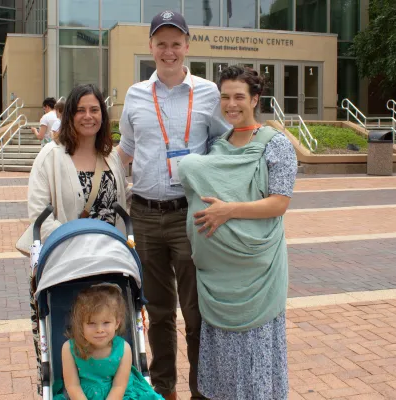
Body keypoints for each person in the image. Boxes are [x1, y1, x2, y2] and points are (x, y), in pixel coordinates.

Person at [117, 10, 230, 400]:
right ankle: (164, 391)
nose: (169, 51)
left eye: (175, 43)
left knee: (198, 313)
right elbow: (127, 151)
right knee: (159, 313)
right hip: (145, 215)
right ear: (151, 46)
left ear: (187, 45)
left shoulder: (209, 94)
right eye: (161, 43)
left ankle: (203, 391)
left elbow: (223, 146)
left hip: (191, 214)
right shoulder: (134, 95)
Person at [177, 65, 297, 399]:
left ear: (255, 99)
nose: (231, 104)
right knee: (224, 363)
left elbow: (279, 203)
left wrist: (228, 210)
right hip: (218, 277)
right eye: (225, 97)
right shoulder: (217, 145)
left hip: (257, 273)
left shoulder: (276, 145)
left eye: (239, 97)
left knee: (255, 352)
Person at [16, 84, 130, 395]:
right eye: (80, 110)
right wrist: (76, 244)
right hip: (62, 263)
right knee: (62, 337)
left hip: (107, 264)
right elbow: (40, 212)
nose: (88, 116)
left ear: (103, 116)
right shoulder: (50, 157)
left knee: (105, 335)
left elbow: (120, 208)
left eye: (95, 110)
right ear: (69, 115)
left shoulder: (110, 157)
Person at [56, 284, 162, 400]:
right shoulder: (69, 348)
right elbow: (72, 386)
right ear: (81, 325)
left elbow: (119, 386)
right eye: (91, 323)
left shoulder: (123, 349)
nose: (99, 330)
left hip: (118, 394)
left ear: (117, 323)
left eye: (106, 323)